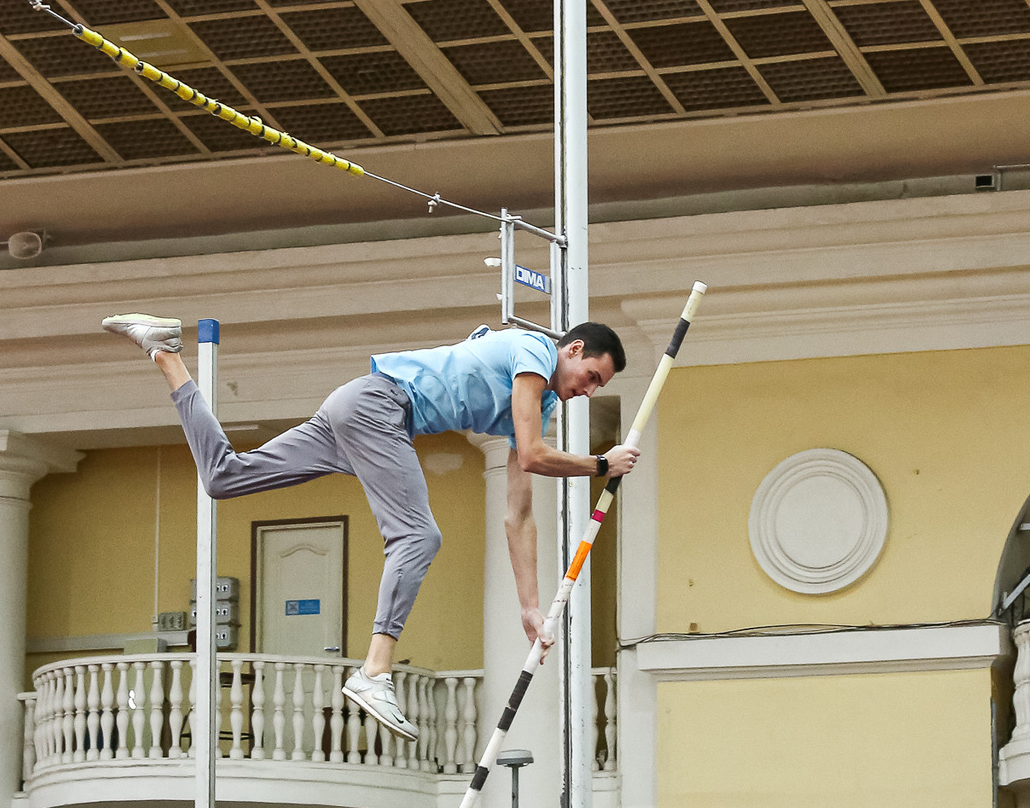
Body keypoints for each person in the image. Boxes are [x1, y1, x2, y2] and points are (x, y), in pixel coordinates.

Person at [102, 312, 637, 740]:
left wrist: (530, 605)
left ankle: (166, 353)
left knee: (224, 477)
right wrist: (599, 465)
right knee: (418, 536)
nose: (588, 391)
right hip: (380, 408)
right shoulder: (535, 352)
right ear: (571, 350)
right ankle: (374, 672)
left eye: (598, 387)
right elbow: (534, 456)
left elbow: (518, 512)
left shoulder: (539, 399)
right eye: (592, 377)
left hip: (359, 405)